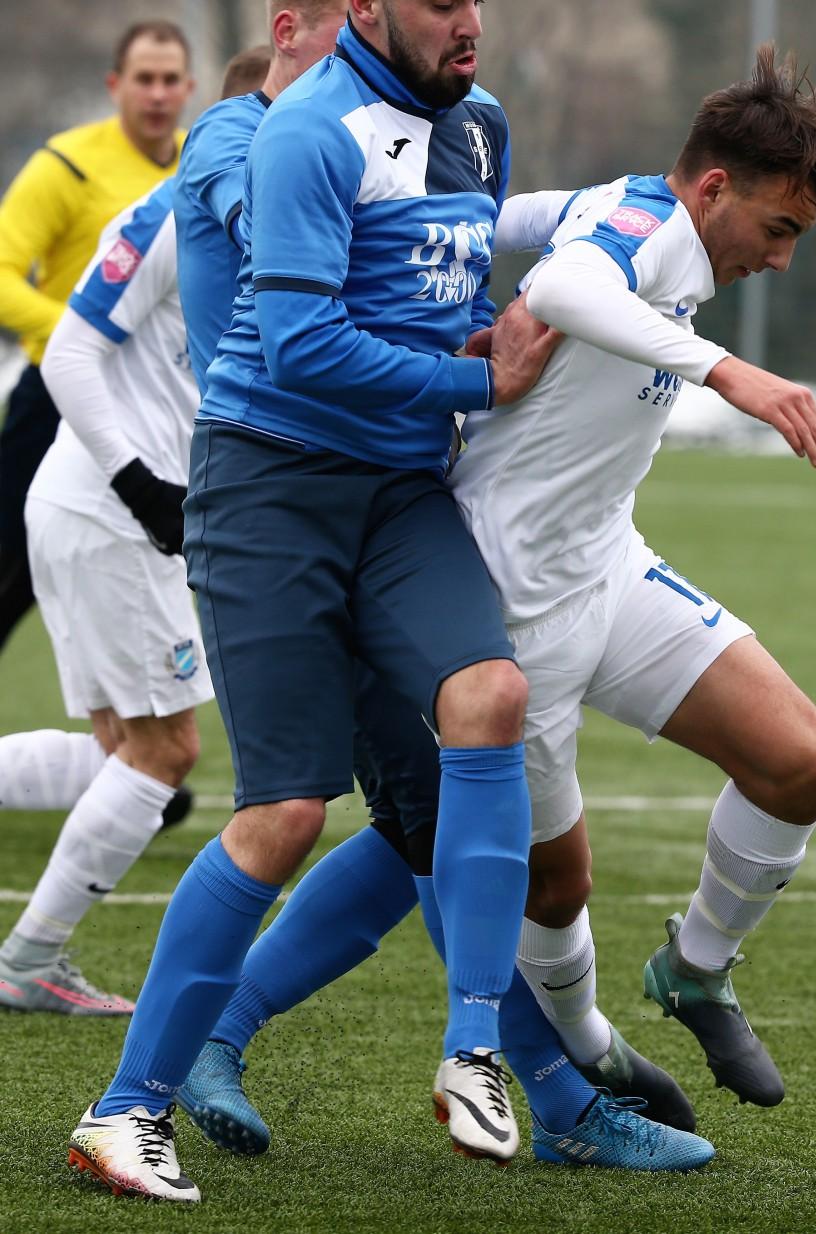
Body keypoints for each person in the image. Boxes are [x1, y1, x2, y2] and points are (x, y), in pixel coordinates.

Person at [161, 41, 816, 1158]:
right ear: (714, 187)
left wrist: (465, 274)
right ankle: (581, 1064)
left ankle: (693, 971)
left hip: (608, 569)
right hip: (497, 592)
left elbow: (499, 223)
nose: (778, 258)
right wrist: (726, 370)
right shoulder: (637, 232)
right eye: (777, 230)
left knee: (799, 760)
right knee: (490, 863)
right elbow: (575, 282)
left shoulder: (621, 207)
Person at [67, 0, 571, 1203]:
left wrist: (494, 338)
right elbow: (299, 346)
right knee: (286, 812)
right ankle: (124, 1109)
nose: (469, 22)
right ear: (363, 9)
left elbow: (455, 295)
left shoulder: (482, 125)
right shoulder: (301, 131)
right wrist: (479, 383)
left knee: (490, 699)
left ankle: (474, 1051)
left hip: (400, 491)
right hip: (269, 487)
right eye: (440, 2)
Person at [0, 42, 276, 1023]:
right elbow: (68, 353)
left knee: (121, 747)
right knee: (164, 754)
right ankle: (29, 960)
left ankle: (31, 959)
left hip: (103, 511)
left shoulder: (257, 217)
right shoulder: (170, 213)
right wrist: (144, 487)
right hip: (111, 513)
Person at [0, 21, 193, 654]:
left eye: (170, 80)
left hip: (152, 401)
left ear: (190, 88)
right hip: (58, 394)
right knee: (11, 570)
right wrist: (77, 330)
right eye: (144, 79)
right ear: (115, 85)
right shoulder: (66, 164)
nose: (157, 94)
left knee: (130, 573)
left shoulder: (202, 163)